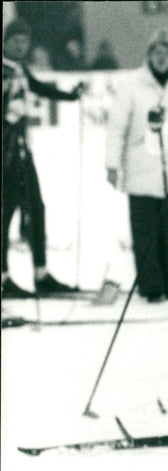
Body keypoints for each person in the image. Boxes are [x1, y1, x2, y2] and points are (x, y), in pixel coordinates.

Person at [105, 28, 168, 303]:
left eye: (166, 53)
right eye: (157, 53)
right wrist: (112, 163)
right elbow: (117, 127)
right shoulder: (131, 85)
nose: (161, 58)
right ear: (149, 55)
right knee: (145, 233)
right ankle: (152, 286)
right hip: (141, 167)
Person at [2, 18, 86, 299]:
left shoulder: (19, 69)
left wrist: (70, 96)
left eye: (24, 41)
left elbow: (39, 88)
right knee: (7, 212)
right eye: (15, 40)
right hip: (5, 153)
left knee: (36, 208)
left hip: (22, 150)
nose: (20, 45)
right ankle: (4, 277)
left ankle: (41, 272)